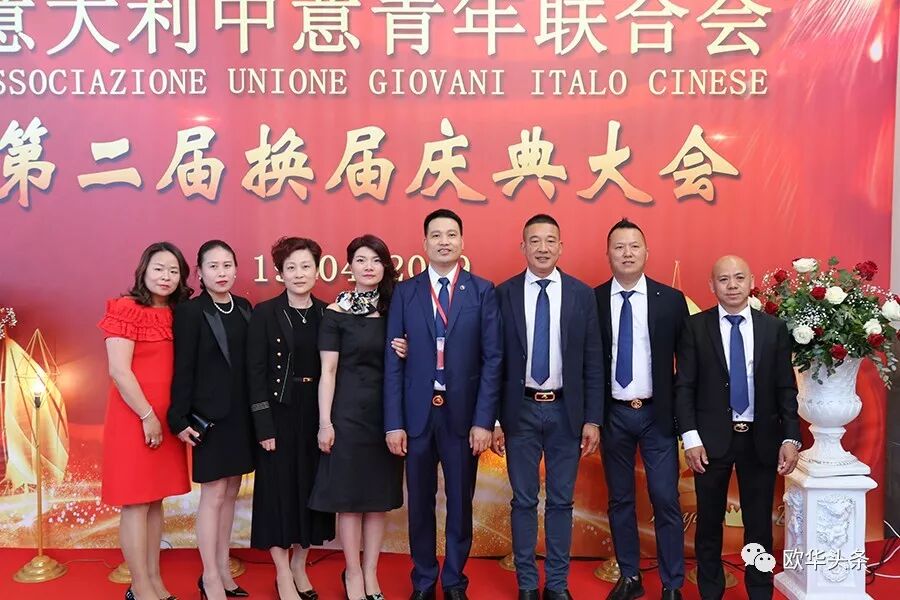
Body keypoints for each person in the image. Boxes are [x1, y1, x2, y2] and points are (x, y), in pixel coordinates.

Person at [383, 208, 502, 600]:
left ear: (462, 242)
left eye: (451, 234)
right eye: (436, 235)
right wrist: (394, 422)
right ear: (425, 243)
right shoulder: (406, 292)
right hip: (417, 418)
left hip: (463, 418)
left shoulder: (482, 291)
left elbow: (492, 360)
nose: (444, 241)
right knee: (419, 505)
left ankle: (453, 581)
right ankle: (423, 581)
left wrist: (484, 421)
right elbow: (393, 363)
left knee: (460, 504)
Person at [491, 214, 604, 600]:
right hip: (518, 411)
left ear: (561, 246)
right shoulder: (503, 293)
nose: (542, 248)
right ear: (523, 247)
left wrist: (593, 419)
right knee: (523, 501)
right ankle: (526, 584)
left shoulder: (581, 294)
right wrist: (494, 419)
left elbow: (593, 360)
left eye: (550, 240)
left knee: (561, 501)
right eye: (535, 241)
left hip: (565, 411)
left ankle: (556, 584)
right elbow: (494, 361)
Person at [675, 255, 800, 600]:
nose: (732, 285)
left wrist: (791, 436)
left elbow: (786, 388)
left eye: (739, 278)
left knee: (759, 525)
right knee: (709, 523)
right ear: (712, 285)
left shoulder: (773, 328)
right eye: (724, 279)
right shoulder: (695, 327)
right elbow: (684, 387)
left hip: (760, 438)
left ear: (751, 282)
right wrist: (690, 437)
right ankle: (710, 592)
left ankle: (759, 591)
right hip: (709, 441)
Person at [593, 219, 689, 600]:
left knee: (665, 497)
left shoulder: (671, 300)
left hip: (657, 415)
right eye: (619, 247)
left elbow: (687, 366)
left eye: (634, 246)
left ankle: (672, 583)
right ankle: (630, 577)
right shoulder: (593, 299)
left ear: (647, 252)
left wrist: (684, 419)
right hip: (613, 415)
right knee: (620, 499)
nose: (627, 253)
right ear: (608, 254)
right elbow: (587, 363)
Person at [310, 235, 405, 600]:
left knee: (378, 499)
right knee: (349, 500)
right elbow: (328, 371)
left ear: (385, 266)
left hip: (387, 417)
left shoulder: (396, 307)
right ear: (349, 266)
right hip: (347, 415)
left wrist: (410, 348)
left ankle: (370, 573)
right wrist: (325, 422)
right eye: (361, 260)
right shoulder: (336, 312)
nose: (368, 267)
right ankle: (351, 572)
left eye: (376, 260)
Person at [99, 241, 193, 600]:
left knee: (155, 500)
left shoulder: (178, 313)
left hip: (166, 420)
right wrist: (147, 416)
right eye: (159, 269)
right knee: (136, 502)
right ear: (144, 271)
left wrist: (166, 418)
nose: (166, 276)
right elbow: (119, 371)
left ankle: (154, 580)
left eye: (173, 271)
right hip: (135, 416)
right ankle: (139, 586)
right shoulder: (126, 308)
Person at [247, 237, 336, 600]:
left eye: (306, 266)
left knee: (312, 489)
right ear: (280, 273)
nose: (299, 274)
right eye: (291, 267)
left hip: (317, 410)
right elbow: (254, 373)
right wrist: (263, 424)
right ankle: (282, 572)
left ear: (318, 270)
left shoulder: (328, 313)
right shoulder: (265, 313)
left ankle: (300, 564)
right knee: (278, 491)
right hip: (279, 411)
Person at [168, 240, 254, 600]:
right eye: (213, 266)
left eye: (227, 265)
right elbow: (183, 367)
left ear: (236, 269)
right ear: (200, 273)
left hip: (241, 416)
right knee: (214, 494)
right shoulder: (190, 312)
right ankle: (210, 577)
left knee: (232, 491)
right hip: (210, 418)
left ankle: (223, 568)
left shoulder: (245, 308)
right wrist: (178, 417)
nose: (221, 272)